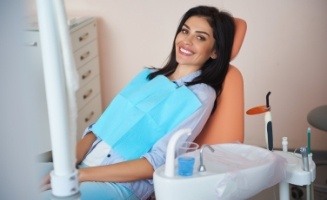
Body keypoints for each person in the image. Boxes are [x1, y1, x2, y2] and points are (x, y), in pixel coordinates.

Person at [41, 5, 235, 200]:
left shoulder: (200, 95)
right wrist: (68, 165)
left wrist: (82, 176)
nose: (186, 40)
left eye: (200, 37)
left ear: (215, 52)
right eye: (185, 31)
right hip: (83, 165)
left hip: (118, 185)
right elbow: (101, 127)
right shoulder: (147, 76)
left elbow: (158, 161)